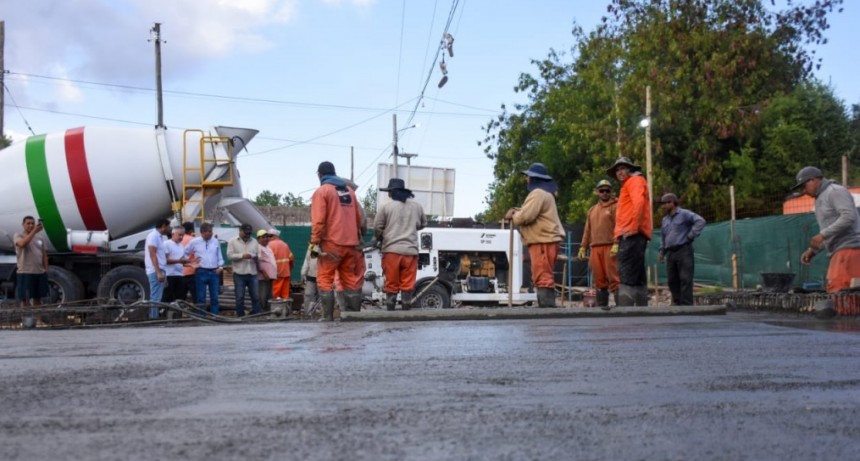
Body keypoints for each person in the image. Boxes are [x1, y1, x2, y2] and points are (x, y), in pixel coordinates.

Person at [794, 166, 860, 318]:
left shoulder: (835, 191)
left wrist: (822, 235)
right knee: (845, 295)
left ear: (814, 180)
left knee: (842, 292)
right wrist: (814, 250)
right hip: (841, 250)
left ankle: (848, 334)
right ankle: (849, 334)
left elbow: (849, 217)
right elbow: (833, 231)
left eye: (805, 185)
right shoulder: (820, 199)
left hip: (850, 250)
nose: (804, 190)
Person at [504, 163, 565, 307]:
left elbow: (526, 216)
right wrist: (516, 211)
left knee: (543, 277)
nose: (526, 179)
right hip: (544, 240)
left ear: (533, 178)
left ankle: (547, 315)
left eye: (528, 177)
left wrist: (513, 216)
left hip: (543, 241)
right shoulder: (545, 194)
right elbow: (528, 211)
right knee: (541, 275)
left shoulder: (538, 193)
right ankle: (545, 311)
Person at [310, 161, 364, 321]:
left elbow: (318, 220)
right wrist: (357, 238)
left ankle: (327, 317)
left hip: (331, 244)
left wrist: (314, 242)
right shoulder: (349, 191)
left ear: (320, 175)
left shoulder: (322, 192)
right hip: (351, 244)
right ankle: (354, 317)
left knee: (325, 279)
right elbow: (358, 218)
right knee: (350, 280)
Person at [374, 178, 427, 310]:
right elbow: (423, 224)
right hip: (410, 251)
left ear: (391, 192)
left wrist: (381, 237)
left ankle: (391, 310)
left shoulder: (385, 207)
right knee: (408, 283)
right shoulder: (417, 206)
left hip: (391, 250)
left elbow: (377, 227)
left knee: (391, 282)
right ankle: (406, 309)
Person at [606, 156, 652, 308]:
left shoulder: (635, 181)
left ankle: (625, 311)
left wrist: (633, 228)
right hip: (634, 233)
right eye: (617, 169)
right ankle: (641, 309)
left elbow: (638, 204)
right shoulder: (629, 184)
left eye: (623, 168)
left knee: (625, 271)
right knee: (637, 274)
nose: (620, 172)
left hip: (632, 234)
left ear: (630, 169)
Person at [657, 193, 706, 306]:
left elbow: (700, 221)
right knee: (672, 280)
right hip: (670, 253)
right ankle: (677, 303)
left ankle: (687, 305)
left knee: (685, 278)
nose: (664, 206)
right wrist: (662, 252)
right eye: (663, 203)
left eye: (666, 203)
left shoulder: (684, 214)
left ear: (673, 203)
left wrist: (691, 235)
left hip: (683, 250)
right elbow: (663, 236)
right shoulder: (665, 220)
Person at [578, 179, 620, 307]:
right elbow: (587, 230)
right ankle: (602, 308)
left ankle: (622, 310)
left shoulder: (616, 206)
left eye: (607, 190)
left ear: (611, 192)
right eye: (602, 190)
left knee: (615, 278)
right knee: (599, 280)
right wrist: (583, 247)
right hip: (595, 249)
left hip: (610, 247)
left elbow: (619, 225)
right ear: (597, 192)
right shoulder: (592, 210)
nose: (605, 193)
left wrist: (616, 243)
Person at [184, 222, 224, 315]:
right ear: (202, 232)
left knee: (214, 297)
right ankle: (202, 317)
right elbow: (185, 253)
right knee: (201, 297)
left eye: (211, 231)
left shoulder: (215, 241)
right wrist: (191, 263)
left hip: (214, 272)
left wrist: (221, 267)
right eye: (209, 231)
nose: (211, 233)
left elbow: (220, 257)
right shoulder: (194, 242)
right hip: (201, 271)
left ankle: (215, 316)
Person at [14, 216, 49, 307]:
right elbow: (22, 244)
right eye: (28, 223)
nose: (31, 225)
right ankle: (25, 320)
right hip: (25, 272)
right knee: (25, 299)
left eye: (33, 223)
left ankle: (38, 320)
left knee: (38, 298)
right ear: (23, 225)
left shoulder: (40, 238)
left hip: (39, 272)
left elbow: (44, 255)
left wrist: (45, 270)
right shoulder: (18, 235)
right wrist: (34, 231)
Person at [227, 223, 261, 317]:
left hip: (252, 272)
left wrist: (256, 258)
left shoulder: (254, 241)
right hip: (239, 273)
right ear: (240, 231)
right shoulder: (232, 241)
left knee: (256, 296)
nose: (247, 235)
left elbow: (260, 255)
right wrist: (242, 256)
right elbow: (229, 256)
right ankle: (240, 316)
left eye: (249, 233)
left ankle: (256, 315)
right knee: (239, 297)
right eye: (245, 233)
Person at [145, 219, 171, 319]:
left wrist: (164, 274)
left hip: (160, 270)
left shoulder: (159, 237)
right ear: (164, 226)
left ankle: (154, 316)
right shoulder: (154, 236)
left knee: (157, 296)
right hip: (155, 270)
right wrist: (158, 272)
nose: (169, 229)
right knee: (155, 296)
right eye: (168, 227)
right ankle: (153, 318)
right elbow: (153, 255)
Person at [163, 226, 190, 304]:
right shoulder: (166, 244)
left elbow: (181, 261)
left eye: (183, 235)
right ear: (173, 234)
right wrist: (179, 261)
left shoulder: (181, 246)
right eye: (179, 235)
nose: (181, 237)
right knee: (168, 297)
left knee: (179, 298)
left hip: (180, 274)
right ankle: (166, 314)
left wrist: (189, 263)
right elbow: (165, 260)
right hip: (169, 274)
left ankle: (176, 314)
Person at [266, 228, 294, 301]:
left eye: (270, 236)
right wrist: (289, 269)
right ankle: (285, 310)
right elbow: (291, 258)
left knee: (275, 295)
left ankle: (275, 310)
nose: (268, 238)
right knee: (285, 296)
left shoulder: (269, 245)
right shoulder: (285, 244)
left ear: (275, 236)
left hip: (276, 274)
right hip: (286, 272)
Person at [256, 229, 278, 312]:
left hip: (270, 276)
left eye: (267, 237)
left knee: (269, 294)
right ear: (258, 239)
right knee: (263, 294)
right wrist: (264, 272)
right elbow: (258, 261)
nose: (266, 239)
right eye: (263, 237)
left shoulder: (268, 248)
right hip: (263, 276)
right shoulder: (258, 247)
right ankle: (262, 310)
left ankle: (268, 310)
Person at [181, 222, 198, 302]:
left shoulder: (178, 239)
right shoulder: (193, 240)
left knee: (181, 296)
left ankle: (179, 313)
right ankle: (196, 313)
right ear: (191, 230)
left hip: (180, 271)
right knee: (195, 296)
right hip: (191, 271)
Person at [301, 245, 319, 316]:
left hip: (323, 277)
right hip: (311, 276)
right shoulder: (311, 247)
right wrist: (303, 273)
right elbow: (307, 260)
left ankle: (321, 313)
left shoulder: (328, 246)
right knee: (308, 295)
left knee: (322, 297)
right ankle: (308, 313)